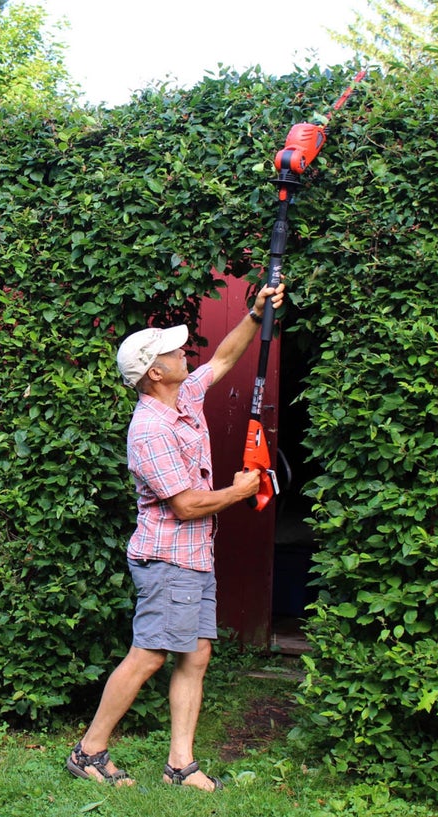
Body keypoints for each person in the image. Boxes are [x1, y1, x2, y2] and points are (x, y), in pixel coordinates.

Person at [66, 281, 286, 792]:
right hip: (168, 558)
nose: (182, 352)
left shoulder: (182, 395)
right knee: (150, 653)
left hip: (193, 556)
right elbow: (185, 505)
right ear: (154, 372)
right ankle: (89, 751)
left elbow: (223, 359)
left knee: (197, 653)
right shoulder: (150, 430)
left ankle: (179, 766)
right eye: (171, 351)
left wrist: (255, 314)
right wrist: (238, 491)